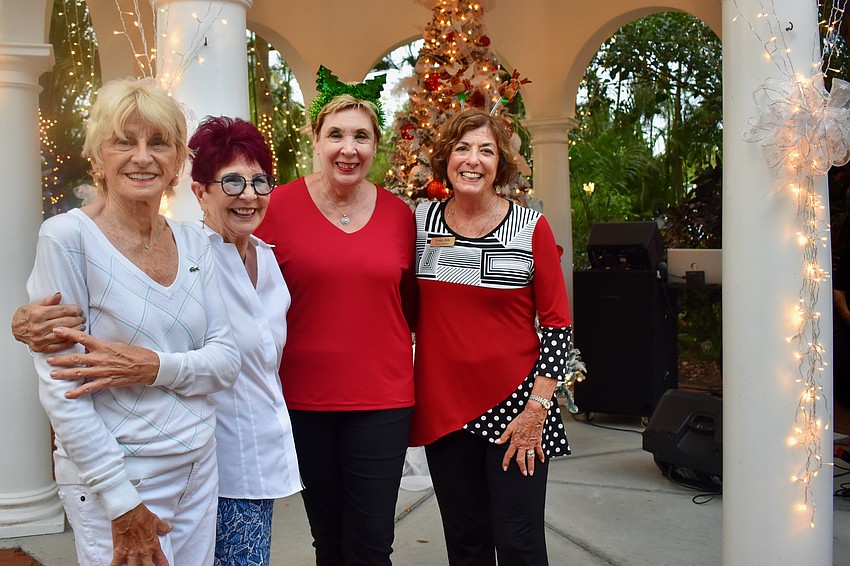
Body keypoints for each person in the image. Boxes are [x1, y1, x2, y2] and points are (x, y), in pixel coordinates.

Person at [13, 116, 303, 565]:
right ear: (198, 189)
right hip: (168, 464)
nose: (248, 194)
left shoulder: (262, 258)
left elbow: (232, 359)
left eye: (259, 180)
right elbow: (67, 366)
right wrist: (26, 320)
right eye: (231, 181)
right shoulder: (193, 247)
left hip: (233, 464)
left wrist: (152, 364)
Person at [252, 68, 417, 565]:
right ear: (315, 139)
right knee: (329, 539)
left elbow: (417, 305)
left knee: (371, 544)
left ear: (375, 145)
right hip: (303, 400)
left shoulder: (400, 216)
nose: (349, 148)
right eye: (337, 135)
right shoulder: (273, 207)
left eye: (361, 136)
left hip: (383, 401)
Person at [410, 108, 572, 565]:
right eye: (462, 148)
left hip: (516, 408)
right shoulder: (421, 224)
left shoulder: (530, 227)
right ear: (446, 158)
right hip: (444, 408)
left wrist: (537, 408)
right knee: (465, 543)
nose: (472, 160)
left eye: (486, 150)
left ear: (501, 163)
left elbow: (558, 324)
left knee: (519, 542)